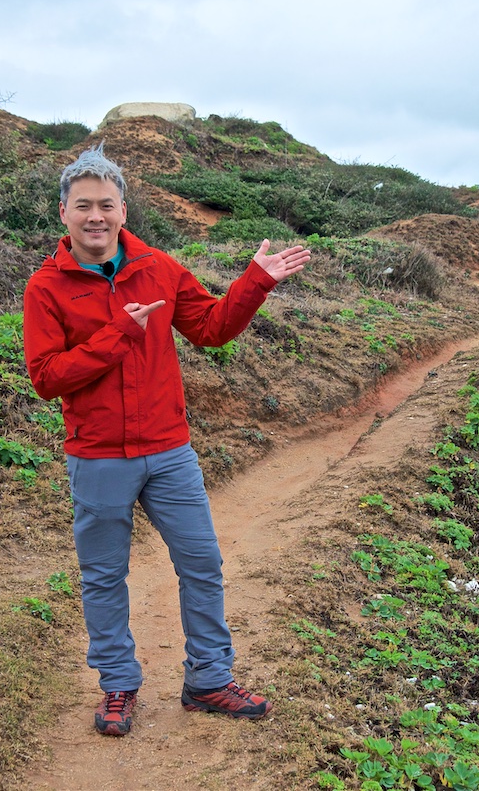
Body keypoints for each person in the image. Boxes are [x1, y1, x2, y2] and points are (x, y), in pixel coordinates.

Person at [23, 143, 311, 736]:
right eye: (83, 206)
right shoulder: (45, 288)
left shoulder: (158, 268)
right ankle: (117, 687)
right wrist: (119, 334)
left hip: (168, 451)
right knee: (103, 576)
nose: (95, 216)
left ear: (123, 210)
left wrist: (255, 282)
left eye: (106, 204)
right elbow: (47, 378)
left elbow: (210, 329)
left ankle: (209, 679)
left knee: (201, 562)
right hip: (97, 457)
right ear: (64, 214)